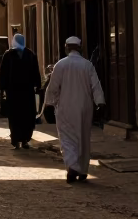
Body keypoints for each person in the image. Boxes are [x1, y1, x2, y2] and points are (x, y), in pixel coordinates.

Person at [44, 37, 106, 183]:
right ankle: (82, 169)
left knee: (67, 138)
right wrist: (100, 103)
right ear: (80, 48)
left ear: (66, 48)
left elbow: (53, 87)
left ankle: (73, 166)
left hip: (65, 107)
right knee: (83, 138)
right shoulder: (87, 65)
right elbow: (96, 86)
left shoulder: (61, 65)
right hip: (85, 107)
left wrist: (48, 104)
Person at [0, 33, 42, 149]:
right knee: (14, 117)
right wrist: (3, 88)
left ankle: (25, 140)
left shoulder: (30, 55)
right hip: (13, 92)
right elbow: (3, 73)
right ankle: (16, 140)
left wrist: (38, 85)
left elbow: (35, 71)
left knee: (27, 117)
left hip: (26, 92)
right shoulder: (9, 55)